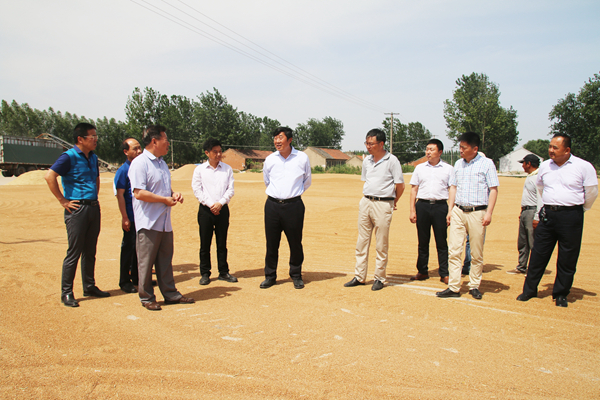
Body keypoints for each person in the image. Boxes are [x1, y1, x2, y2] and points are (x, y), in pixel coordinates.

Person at [517, 134, 598, 307]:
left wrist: (580, 209)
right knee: (538, 253)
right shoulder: (545, 166)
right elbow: (540, 188)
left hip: (571, 216)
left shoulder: (583, 166)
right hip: (548, 214)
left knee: (567, 256)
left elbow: (591, 192)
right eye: (550, 146)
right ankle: (529, 290)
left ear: (567, 150)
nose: (551, 150)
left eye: (555, 147)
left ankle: (561, 293)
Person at [128, 125, 195, 310]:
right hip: (148, 222)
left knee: (165, 260)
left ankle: (170, 294)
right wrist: (164, 200)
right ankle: (147, 297)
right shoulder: (140, 163)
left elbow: (164, 189)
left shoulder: (162, 163)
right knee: (146, 262)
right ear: (154, 141)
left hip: (164, 222)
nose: (168, 144)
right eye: (166, 140)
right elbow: (139, 192)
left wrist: (173, 194)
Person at [45, 122, 110, 307]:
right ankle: (66, 292)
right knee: (74, 251)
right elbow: (49, 176)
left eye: (96, 136)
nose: (96, 140)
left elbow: (96, 178)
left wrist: (93, 197)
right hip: (76, 209)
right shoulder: (69, 157)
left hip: (93, 207)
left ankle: (89, 286)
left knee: (90, 250)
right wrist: (63, 200)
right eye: (92, 137)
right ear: (80, 139)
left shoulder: (93, 157)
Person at [436, 132, 499, 300]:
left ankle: (474, 285)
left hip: (477, 212)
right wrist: (450, 210)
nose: (460, 150)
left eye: (464, 147)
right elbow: (453, 187)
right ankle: (454, 286)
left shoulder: (487, 164)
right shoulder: (458, 164)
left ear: (475, 149)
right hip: (458, 211)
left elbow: (493, 189)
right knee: (454, 250)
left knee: (476, 253)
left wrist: (489, 213)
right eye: (460, 147)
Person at [344, 128, 404, 291]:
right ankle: (359, 276)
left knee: (381, 243)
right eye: (367, 143)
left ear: (381, 143)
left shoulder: (392, 160)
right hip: (366, 202)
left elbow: (400, 185)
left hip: (383, 204)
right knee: (362, 241)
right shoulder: (367, 161)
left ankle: (379, 278)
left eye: (371, 143)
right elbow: (367, 180)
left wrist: (393, 201)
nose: (368, 146)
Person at [260, 126, 311, 289]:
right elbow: (267, 180)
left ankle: (296, 275)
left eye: (280, 137)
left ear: (289, 140)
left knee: (295, 242)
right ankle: (270, 276)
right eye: (275, 138)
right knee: (271, 243)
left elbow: (307, 181)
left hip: (293, 206)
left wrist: (292, 194)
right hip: (272, 206)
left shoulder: (302, 158)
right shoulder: (270, 159)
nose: (277, 141)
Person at [192, 138, 237, 285]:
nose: (218, 154)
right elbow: (197, 190)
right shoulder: (199, 170)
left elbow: (230, 189)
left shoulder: (227, 169)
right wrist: (212, 204)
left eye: (220, 151)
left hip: (222, 210)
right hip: (206, 211)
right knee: (205, 243)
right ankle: (205, 273)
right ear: (207, 153)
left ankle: (223, 272)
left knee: (222, 243)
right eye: (215, 152)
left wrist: (220, 203)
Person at [409, 139, 453, 284]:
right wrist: (412, 210)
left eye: (431, 149)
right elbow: (414, 189)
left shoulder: (448, 169)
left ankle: (444, 273)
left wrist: (450, 211)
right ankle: (422, 271)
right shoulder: (419, 168)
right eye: (427, 149)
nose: (428, 152)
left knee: (441, 242)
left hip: (440, 206)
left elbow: (452, 190)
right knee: (423, 241)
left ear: (440, 152)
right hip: (422, 206)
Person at [114, 138, 142, 293]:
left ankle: (137, 278)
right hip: (130, 216)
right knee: (128, 249)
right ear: (126, 152)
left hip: (141, 216)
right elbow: (120, 195)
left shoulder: (140, 168)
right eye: (135, 149)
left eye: (139, 148)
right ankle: (125, 281)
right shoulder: (123, 171)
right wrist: (125, 217)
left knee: (140, 249)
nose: (139, 151)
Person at [506, 154, 541, 275]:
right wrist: (523, 212)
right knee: (523, 241)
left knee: (532, 241)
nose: (522, 166)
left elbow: (540, 198)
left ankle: (533, 269)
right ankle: (522, 266)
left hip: (533, 211)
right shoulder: (530, 177)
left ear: (529, 164)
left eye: (524, 163)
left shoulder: (538, 178)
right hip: (526, 211)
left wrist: (537, 216)